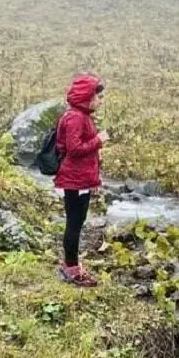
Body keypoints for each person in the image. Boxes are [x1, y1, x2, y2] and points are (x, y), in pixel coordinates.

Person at [54, 74, 109, 287]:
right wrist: (98, 140)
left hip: (80, 181)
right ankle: (72, 269)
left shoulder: (81, 116)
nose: (101, 101)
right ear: (88, 96)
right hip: (74, 182)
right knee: (74, 224)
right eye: (99, 96)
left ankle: (71, 264)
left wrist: (94, 181)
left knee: (76, 222)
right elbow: (75, 150)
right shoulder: (76, 118)